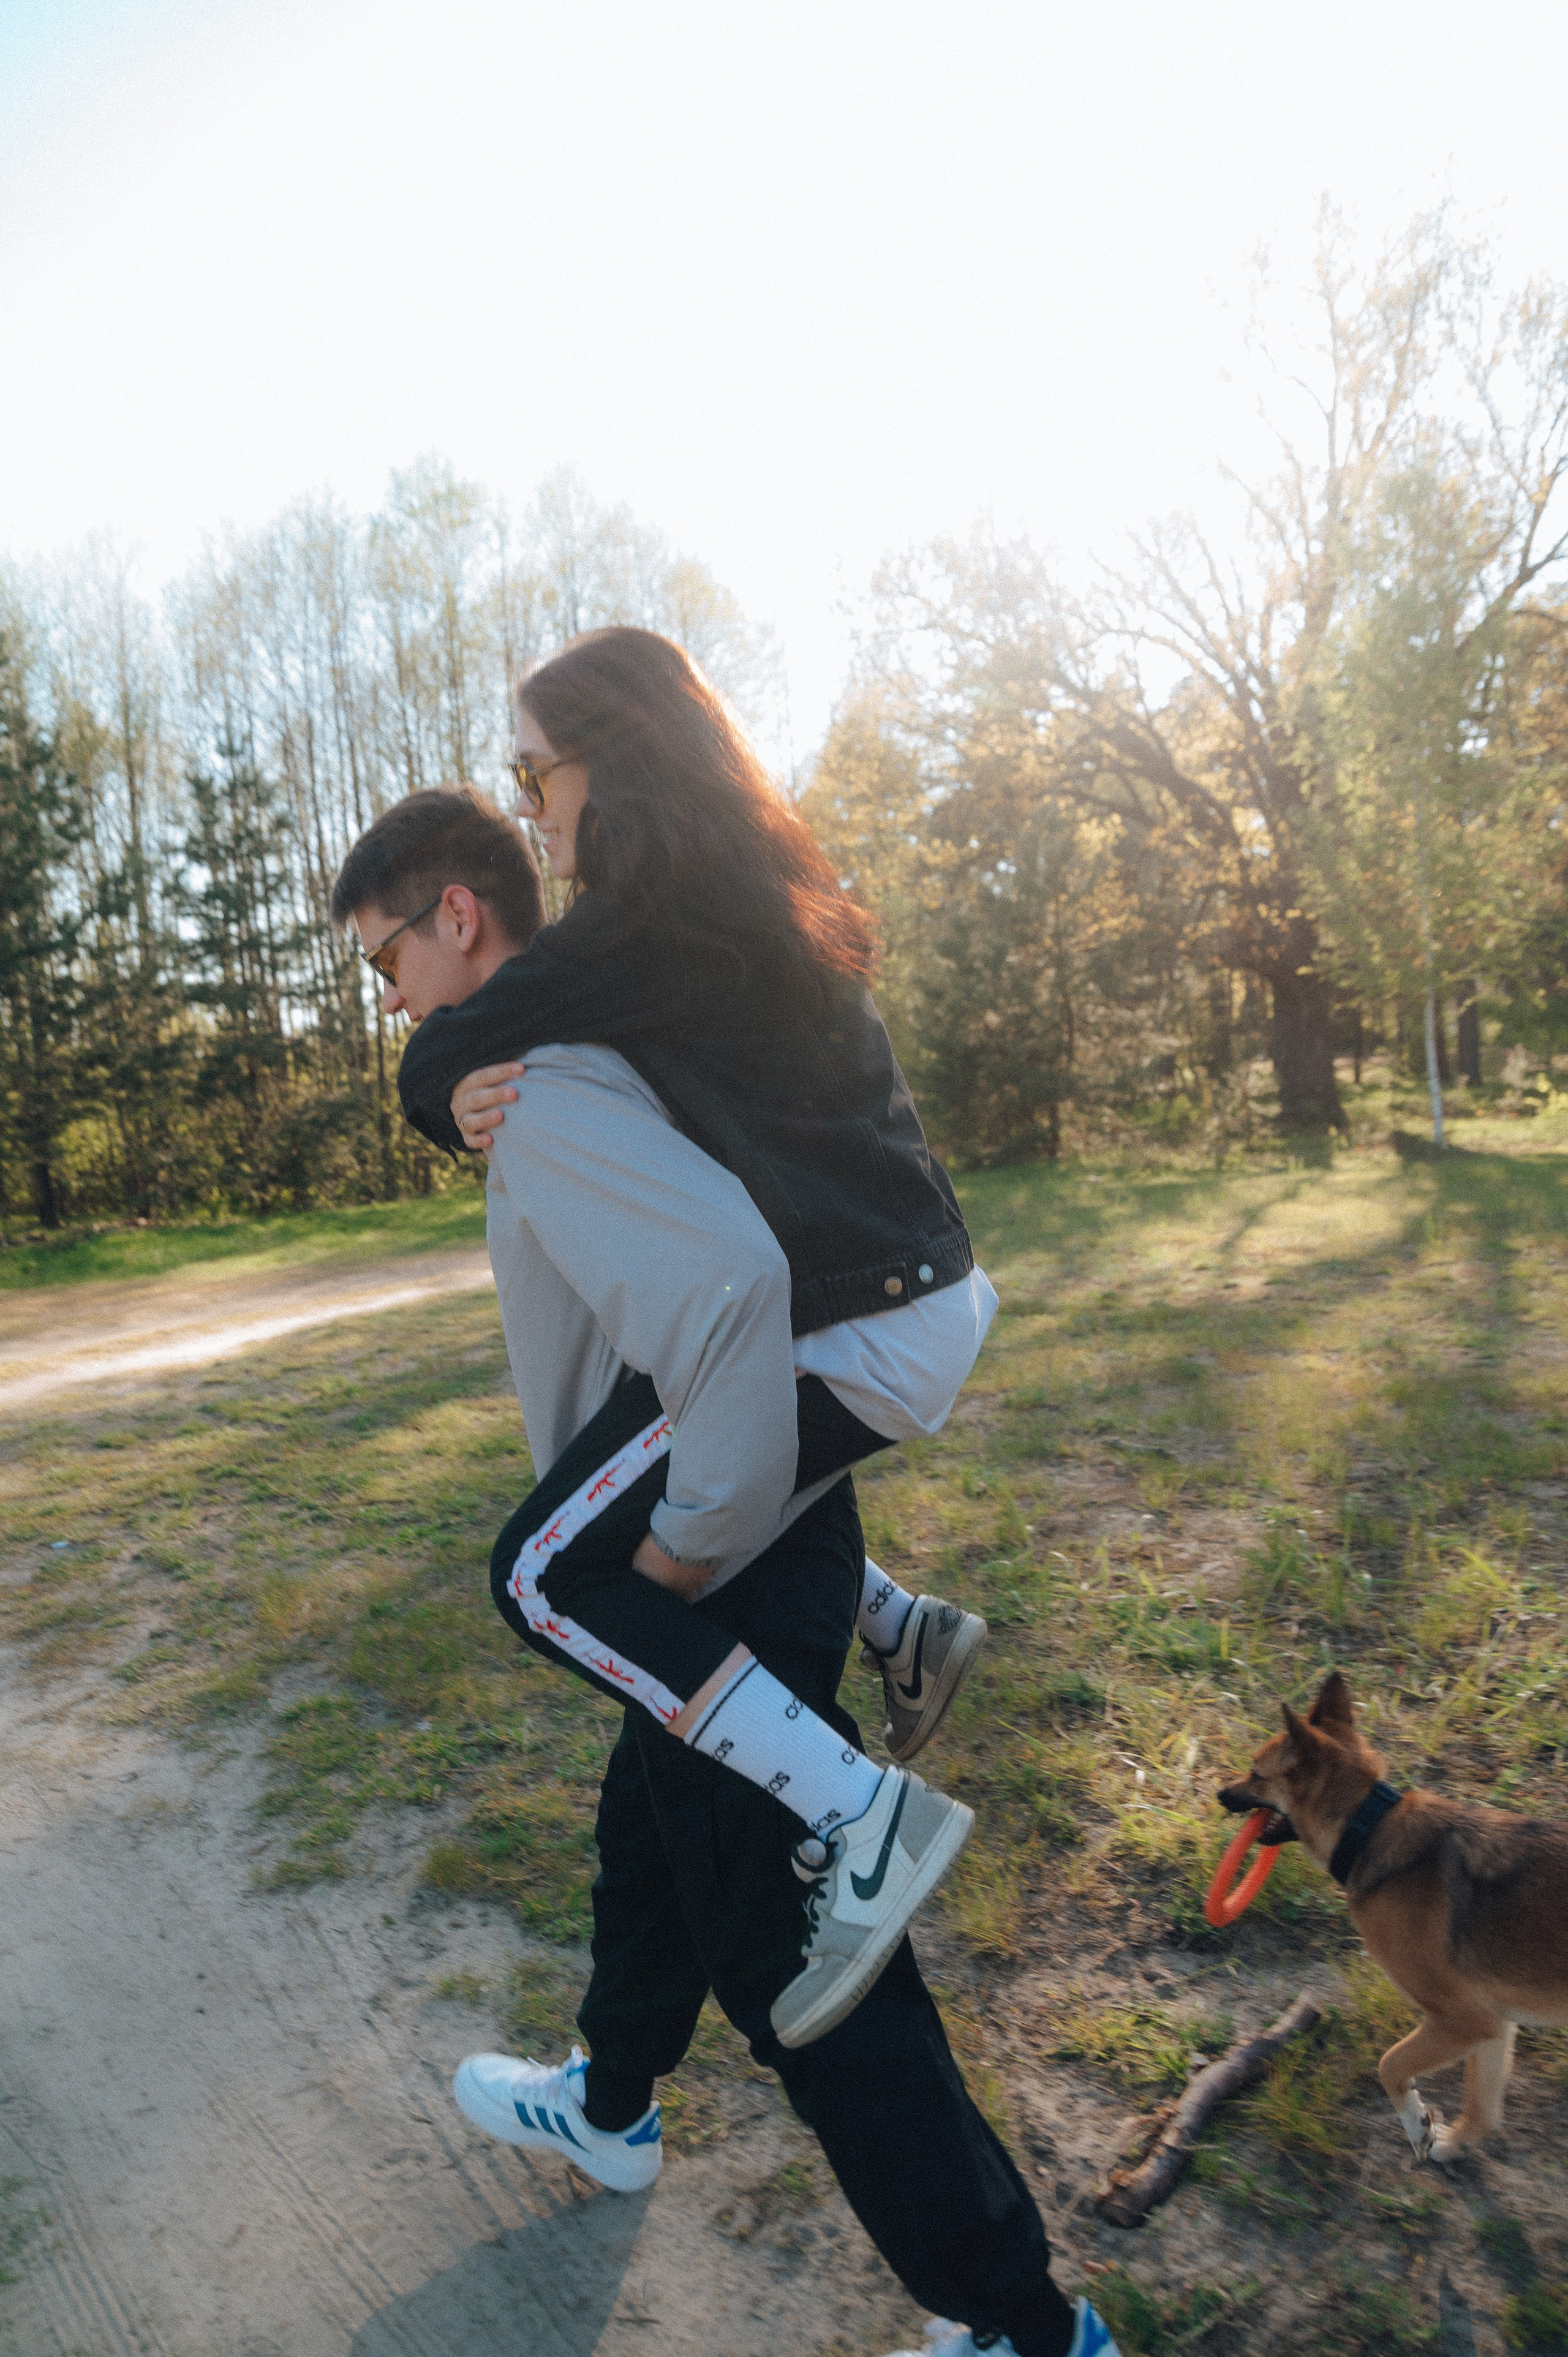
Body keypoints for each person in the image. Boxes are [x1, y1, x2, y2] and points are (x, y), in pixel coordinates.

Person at [331, 783, 1121, 2357]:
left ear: (455, 917)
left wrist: (691, 1538)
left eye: (382, 963)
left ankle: (1021, 2326)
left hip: (716, 1530)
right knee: (648, 1825)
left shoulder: (545, 1085)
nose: (391, 999)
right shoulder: (606, 1041)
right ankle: (611, 2103)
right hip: (753, 1489)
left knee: (793, 1961)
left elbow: (724, 1298)